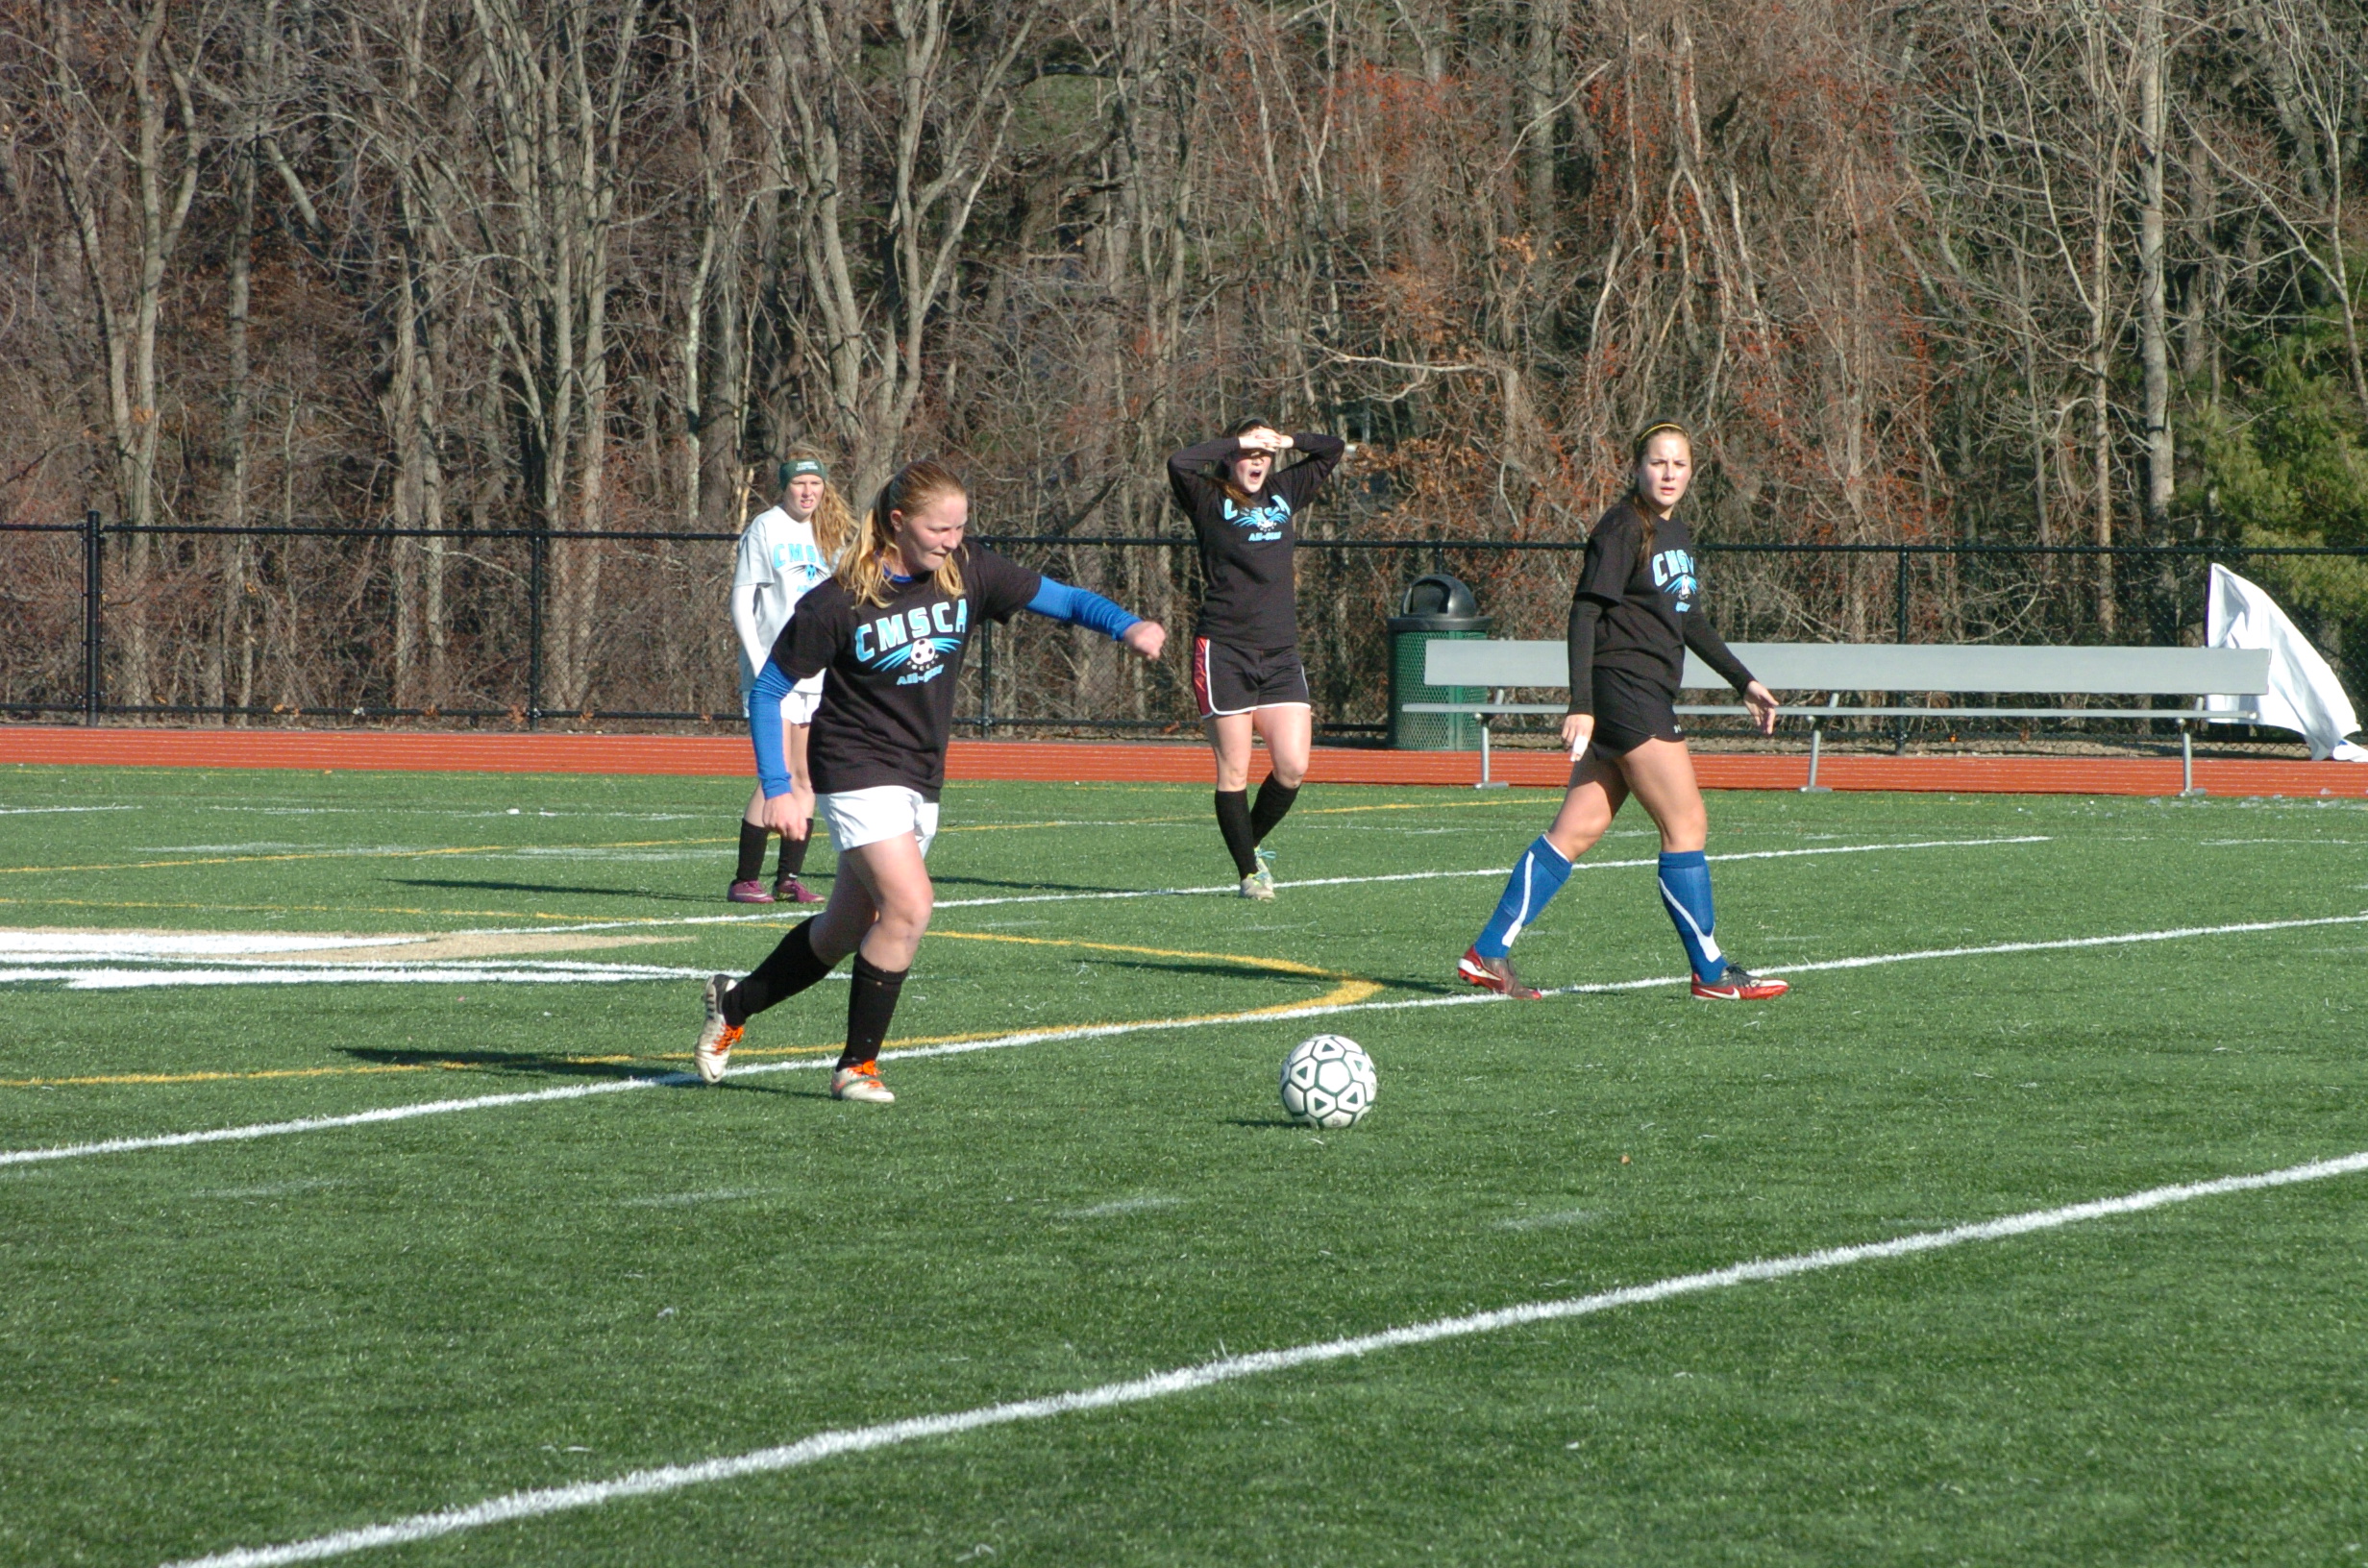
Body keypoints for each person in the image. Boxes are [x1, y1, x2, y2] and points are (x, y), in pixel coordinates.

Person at [695, 458, 1167, 1101]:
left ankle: (734, 1002)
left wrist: (1127, 624)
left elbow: (1064, 599)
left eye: (960, 527)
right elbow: (767, 691)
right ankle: (856, 1067)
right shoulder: (838, 600)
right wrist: (778, 786)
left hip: (920, 772)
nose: (952, 540)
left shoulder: (967, 570)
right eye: (939, 529)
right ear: (898, 522)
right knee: (910, 907)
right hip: (856, 767)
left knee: (842, 928)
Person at [1457, 421, 1790, 1002]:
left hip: (1639, 692)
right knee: (1686, 825)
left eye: (1679, 464)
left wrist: (1743, 680)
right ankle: (1711, 974)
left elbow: (1689, 619)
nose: (1668, 473)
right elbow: (1584, 613)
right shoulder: (1621, 527)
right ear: (1637, 468)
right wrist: (1581, 705)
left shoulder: (1676, 532)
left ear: (1692, 472)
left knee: (1575, 830)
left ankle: (1488, 952)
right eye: (1658, 462)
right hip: (1626, 691)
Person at [1167, 417, 1346, 900]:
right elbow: (1179, 462)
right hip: (1225, 649)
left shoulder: (1284, 491)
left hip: (1281, 653)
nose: (1257, 461)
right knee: (1235, 771)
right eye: (1250, 453)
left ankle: (1247, 842)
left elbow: (1332, 448)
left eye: (1265, 455)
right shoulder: (1208, 497)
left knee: (1293, 767)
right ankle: (1249, 872)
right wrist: (1240, 441)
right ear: (1232, 457)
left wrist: (1289, 441)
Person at [728, 452, 854, 904]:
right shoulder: (766, 528)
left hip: (816, 671)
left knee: (805, 776)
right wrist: (759, 663)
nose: (807, 492)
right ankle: (745, 880)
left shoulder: (832, 532)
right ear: (784, 487)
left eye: (815, 484)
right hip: (775, 672)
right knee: (775, 775)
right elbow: (741, 600)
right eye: (799, 483)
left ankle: (789, 878)